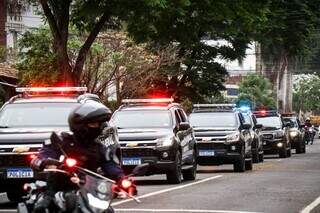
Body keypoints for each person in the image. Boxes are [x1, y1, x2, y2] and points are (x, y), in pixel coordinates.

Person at [31, 100, 125, 212]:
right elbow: (42, 156)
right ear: (80, 124)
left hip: (88, 190)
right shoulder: (61, 142)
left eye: (99, 124)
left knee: (107, 210)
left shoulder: (98, 147)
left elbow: (109, 164)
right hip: (58, 187)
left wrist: (121, 178)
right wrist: (45, 162)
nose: (98, 127)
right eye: (93, 124)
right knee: (42, 207)